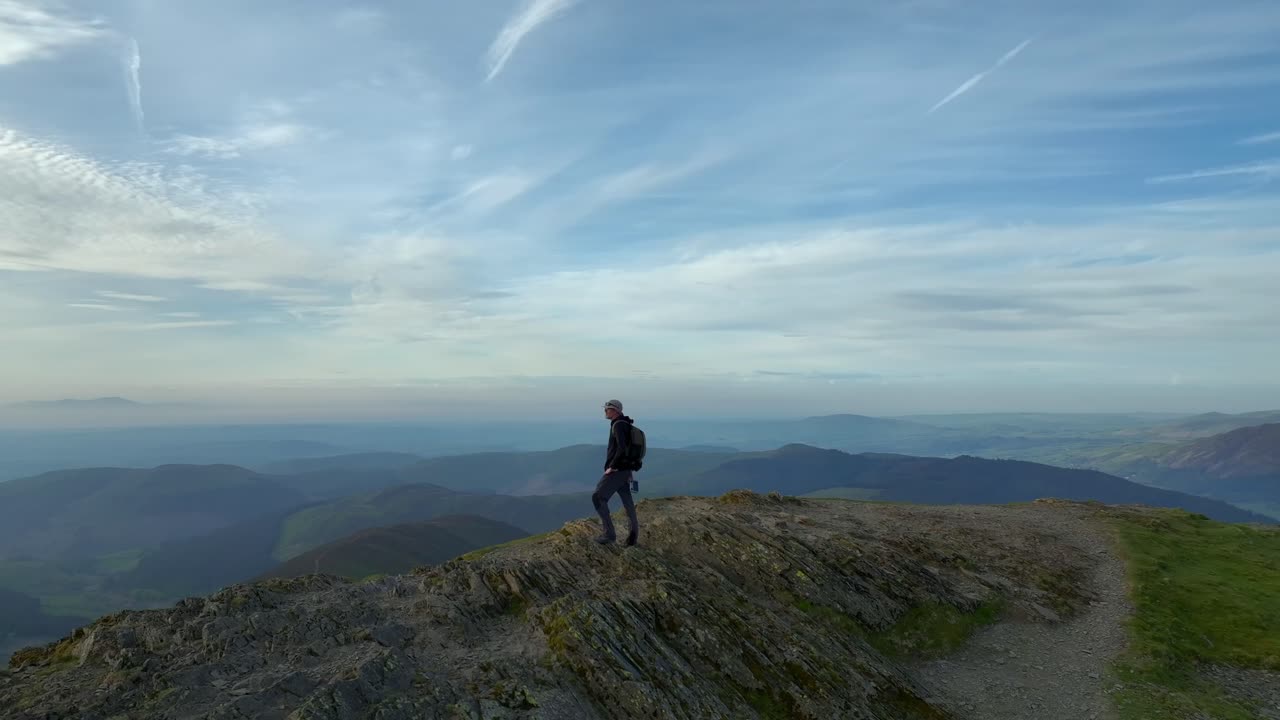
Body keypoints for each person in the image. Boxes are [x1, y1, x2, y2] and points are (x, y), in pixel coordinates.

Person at [592, 399, 640, 546]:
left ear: (616, 411)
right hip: (625, 470)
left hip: (617, 470)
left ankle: (609, 535)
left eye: (608, 409)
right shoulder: (625, 424)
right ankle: (632, 538)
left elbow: (621, 448)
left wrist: (612, 466)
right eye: (605, 409)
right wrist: (629, 470)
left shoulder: (618, 425)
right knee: (628, 504)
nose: (605, 411)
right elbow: (628, 449)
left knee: (598, 497)